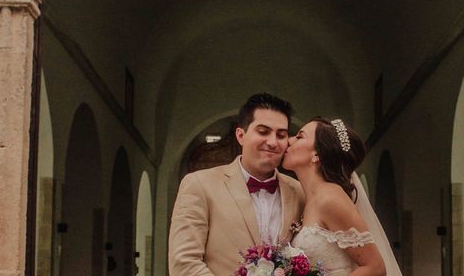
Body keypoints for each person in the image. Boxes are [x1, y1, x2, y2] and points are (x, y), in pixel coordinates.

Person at [168, 93, 305, 276]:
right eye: (263, 132)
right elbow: (183, 263)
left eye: (281, 135)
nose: (272, 142)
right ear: (241, 135)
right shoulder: (199, 184)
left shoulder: (299, 192)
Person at [283, 117, 402, 276]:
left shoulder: (331, 198)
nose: (289, 140)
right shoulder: (309, 200)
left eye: (299, 136)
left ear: (317, 153)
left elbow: (375, 268)